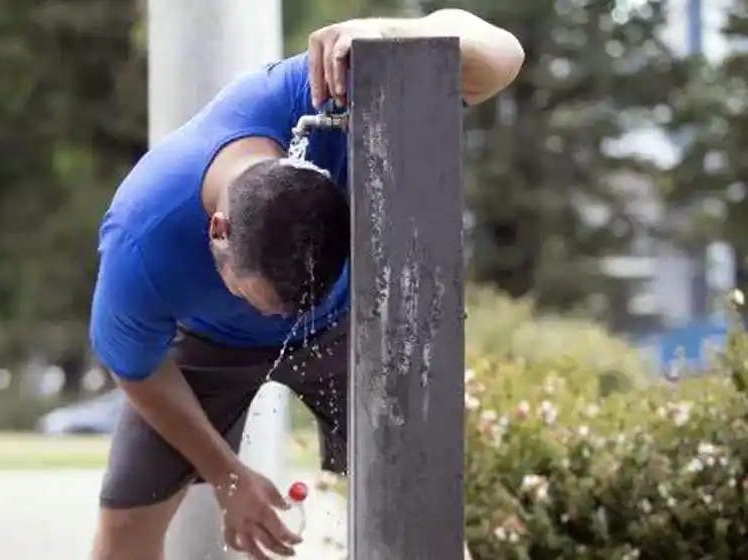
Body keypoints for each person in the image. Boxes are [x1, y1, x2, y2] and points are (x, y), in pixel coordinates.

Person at [89, 9, 523, 560]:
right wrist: (228, 478)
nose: (283, 324)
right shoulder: (140, 241)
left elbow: (504, 57)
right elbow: (138, 369)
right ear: (216, 232)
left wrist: (389, 32)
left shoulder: (326, 92)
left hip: (346, 325)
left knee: (423, 502)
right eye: (263, 303)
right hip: (208, 345)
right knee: (124, 526)